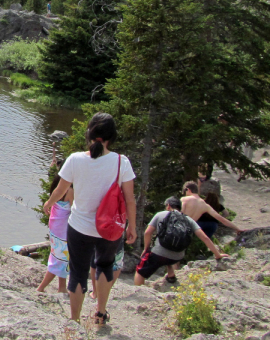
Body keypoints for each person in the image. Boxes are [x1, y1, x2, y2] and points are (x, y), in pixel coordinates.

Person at [43, 112, 137, 325]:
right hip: (110, 228)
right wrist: (131, 226)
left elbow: (61, 189)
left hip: (79, 227)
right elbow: (130, 199)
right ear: (112, 137)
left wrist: (49, 203)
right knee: (105, 266)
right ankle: (101, 313)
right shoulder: (122, 162)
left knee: (77, 272)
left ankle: (74, 320)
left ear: (89, 134)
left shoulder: (75, 159)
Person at [135, 196, 229, 286]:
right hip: (177, 257)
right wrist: (218, 255)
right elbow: (205, 238)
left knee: (140, 272)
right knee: (168, 256)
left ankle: (138, 290)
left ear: (168, 206)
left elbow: (147, 233)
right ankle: (171, 276)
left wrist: (146, 249)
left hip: (159, 254)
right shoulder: (188, 219)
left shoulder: (161, 214)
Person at [37, 175, 73, 293]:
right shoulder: (71, 190)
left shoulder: (57, 187)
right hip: (64, 231)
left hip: (55, 228)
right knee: (59, 260)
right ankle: (41, 288)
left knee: (59, 256)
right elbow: (76, 211)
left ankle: (62, 288)